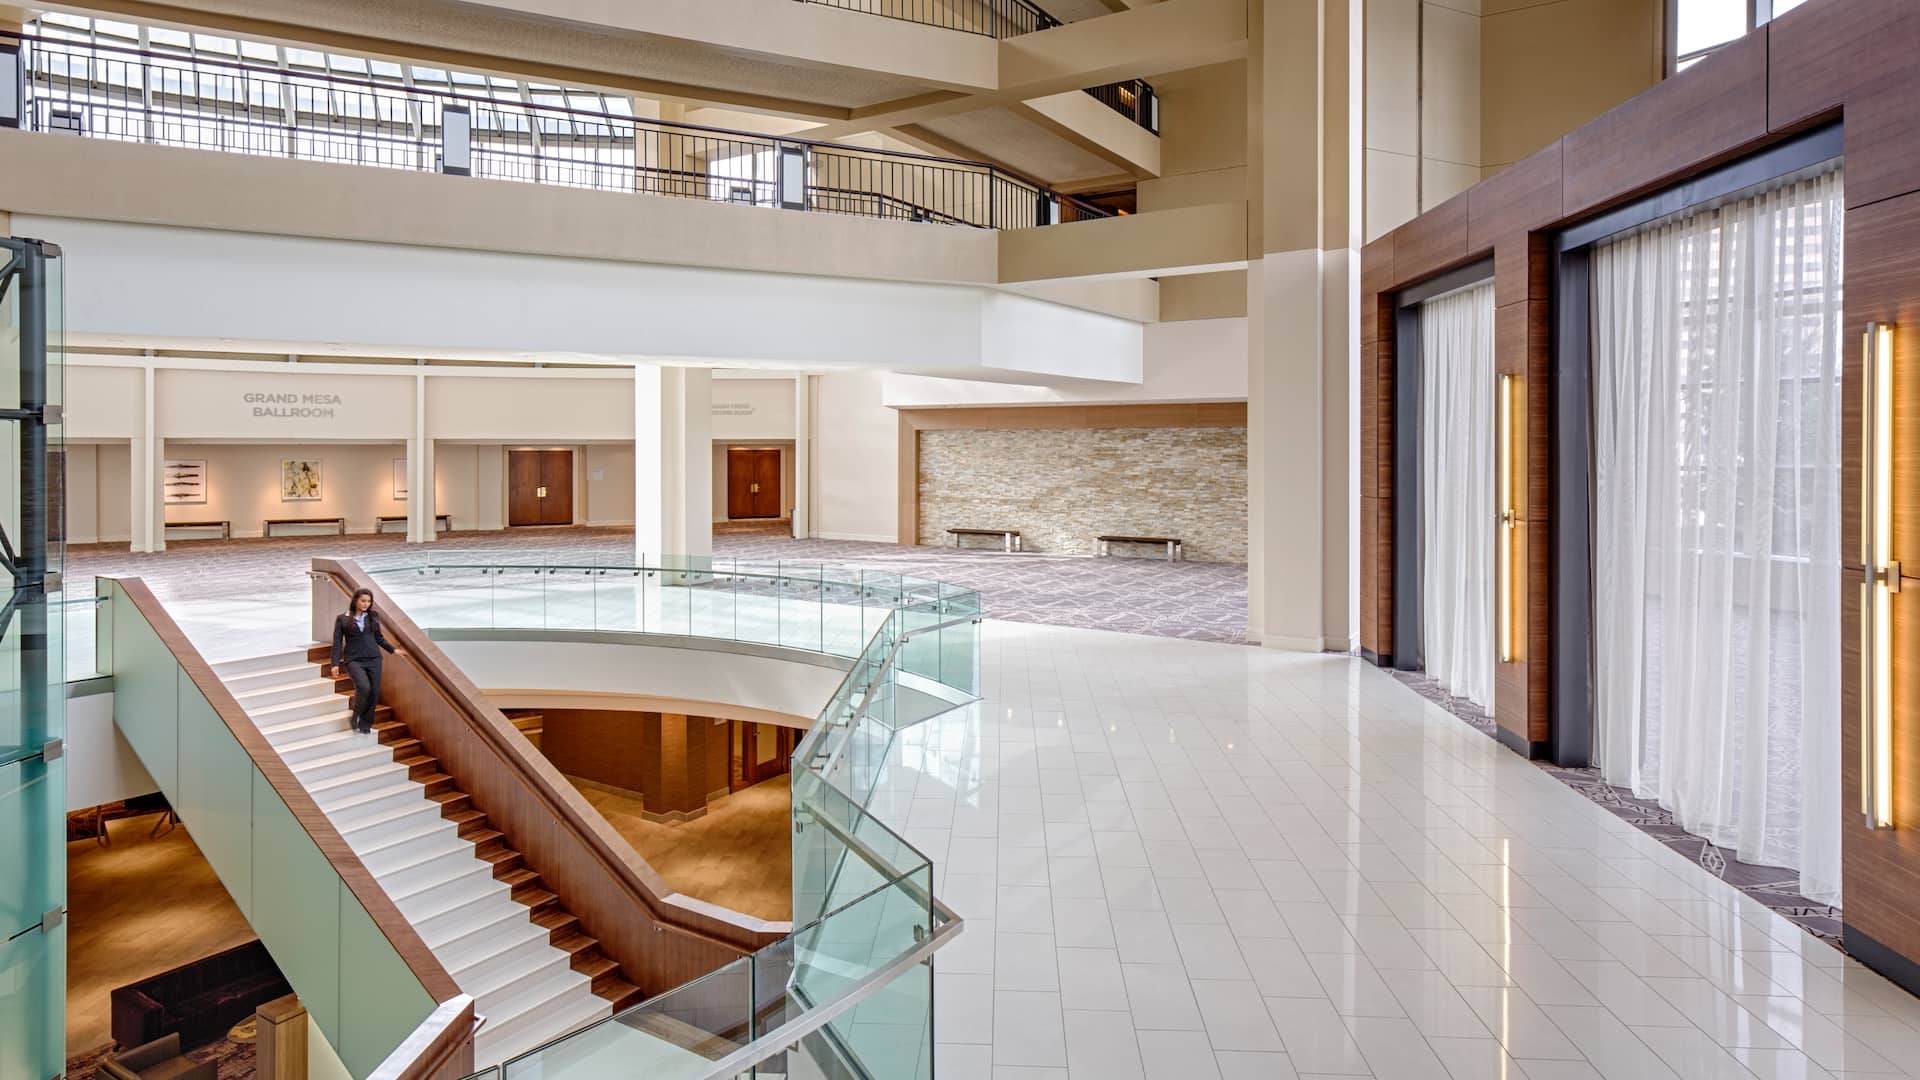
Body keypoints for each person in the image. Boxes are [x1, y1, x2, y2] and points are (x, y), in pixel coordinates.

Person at [330, 588, 403, 734]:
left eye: (369, 601)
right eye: (363, 601)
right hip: (354, 659)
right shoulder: (342, 618)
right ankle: (355, 715)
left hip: (374, 659)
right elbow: (337, 642)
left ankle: (365, 724)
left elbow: (378, 638)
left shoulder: (373, 616)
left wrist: (393, 650)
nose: (366, 604)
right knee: (364, 687)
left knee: (374, 692)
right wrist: (335, 664)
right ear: (355, 600)